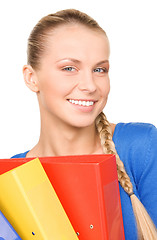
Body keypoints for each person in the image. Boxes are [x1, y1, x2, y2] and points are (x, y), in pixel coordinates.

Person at [11, 9, 157, 239]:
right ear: (32, 78)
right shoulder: (11, 178)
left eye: (100, 69)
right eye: (69, 68)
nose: (89, 85)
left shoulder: (141, 148)